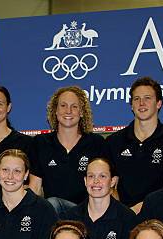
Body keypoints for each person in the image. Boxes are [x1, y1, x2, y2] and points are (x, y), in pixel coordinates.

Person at [29, 86, 108, 216]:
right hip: (52, 212)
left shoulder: (96, 143)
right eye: (63, 105)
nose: (68, 111)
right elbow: (35, 187)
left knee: (52, 204)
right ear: (55, 110)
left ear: (82, 112)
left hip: (87, 212)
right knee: (50, 205)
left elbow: (107, 186)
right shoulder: (41, 143)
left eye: (74, 107)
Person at [106, 76, 163, 213]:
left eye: (147, 98)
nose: (141, 103)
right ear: (131, 105)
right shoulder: (114, 141)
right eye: (136, 99)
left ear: (159, 103)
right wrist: (122, 214)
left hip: (158, 214)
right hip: (122, 215)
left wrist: (141, 209)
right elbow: (109, 186)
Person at [64, 157, 136, 239]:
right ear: (85, 181)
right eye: (91, 176)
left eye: (102, 176)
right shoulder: (70, 217)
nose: (96, 181)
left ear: (112, 181)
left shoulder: (127, 218)